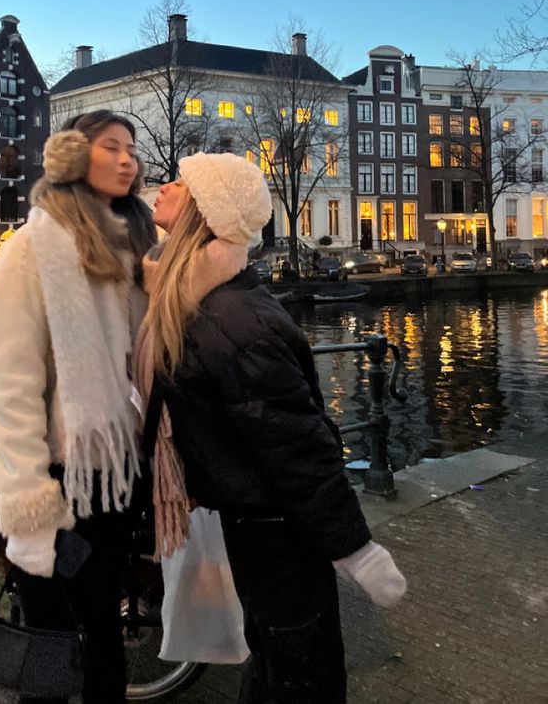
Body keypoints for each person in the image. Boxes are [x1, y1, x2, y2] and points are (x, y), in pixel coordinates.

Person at [138, 152, 406, 704]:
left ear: (203, 211)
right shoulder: (192, 296)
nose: (162, 186)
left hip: (279, 529)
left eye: (180, 182)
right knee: (276, 658)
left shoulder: (232, 319)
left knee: (297, 672)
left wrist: (356, 551)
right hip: (253, 519)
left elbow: (299, 447)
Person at [0, 110, 156, 704]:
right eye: (112, 147)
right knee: (53, 647)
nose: (128, 158)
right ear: (75, 156)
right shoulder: (30, 252)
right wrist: (31, 503)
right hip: (60, 480)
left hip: (114, 478)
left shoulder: (131, 251)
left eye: (132, 147)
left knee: (104, 637)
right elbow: (9, 383)